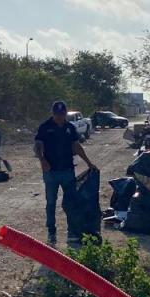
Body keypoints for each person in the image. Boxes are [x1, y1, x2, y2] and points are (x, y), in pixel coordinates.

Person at [34, 100, 97, 245]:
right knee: (51, 202)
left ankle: (72, 232)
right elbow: (37, 146)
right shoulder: (45, 127)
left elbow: (76, 146)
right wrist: (42, 160)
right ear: (53, 113)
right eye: (57, 114)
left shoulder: (70, 127)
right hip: (51, 173)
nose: (60, 117)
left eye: (62, 114)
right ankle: (51, 232)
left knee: (71, 202)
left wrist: (88, 162)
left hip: (68, 171)